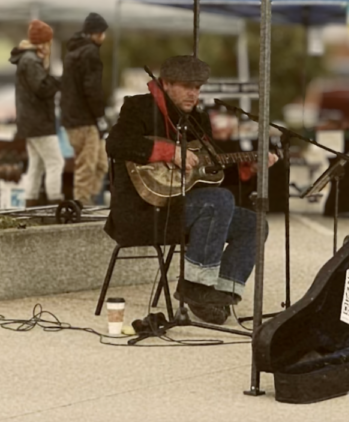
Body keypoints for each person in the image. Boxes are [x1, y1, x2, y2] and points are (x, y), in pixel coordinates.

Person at [105, 55, 278, 324]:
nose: (193, 93)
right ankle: (195, 288)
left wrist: (248, 168)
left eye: (197, 88)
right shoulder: (138, 107)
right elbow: (115, 144)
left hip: (186, 211)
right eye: (187, 86)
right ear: (166, 84)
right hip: (143, 214)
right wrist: (170, 151)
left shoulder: (197, 119)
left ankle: (221, 293)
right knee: (218, 201)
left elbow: (210, 173)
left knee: (254, 223)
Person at [10, 20, 65, 208]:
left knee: (36, 165)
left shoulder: (27, 59)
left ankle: (30, 204)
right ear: (43, 41)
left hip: (30, 123)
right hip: (39, 123)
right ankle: (54, 205)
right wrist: (60, 81)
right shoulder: (31, 61)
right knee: (55, 162)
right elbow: (41, 88)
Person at [61, 12, 110, 206]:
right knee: (87, 166)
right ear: (94, 33)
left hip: (74, 119)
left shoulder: (73, 53)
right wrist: (100, 116)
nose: (104, 37)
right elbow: (92, 88)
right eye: (102, 32)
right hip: (84, 120)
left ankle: (90, 202)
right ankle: (82, 208)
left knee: (100, 163)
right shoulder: (89, 53)